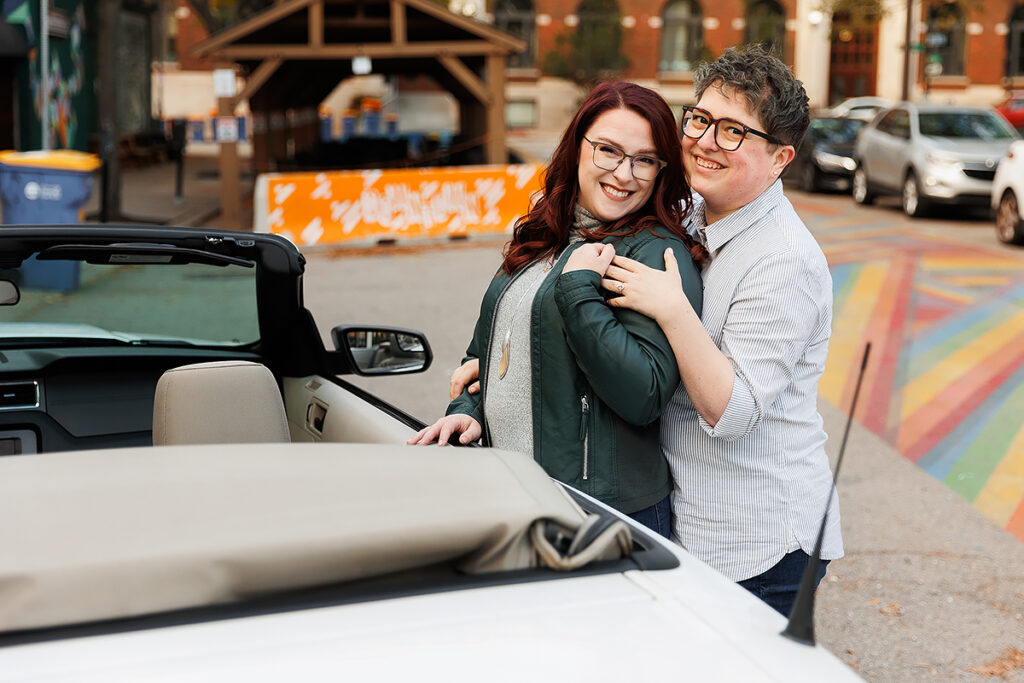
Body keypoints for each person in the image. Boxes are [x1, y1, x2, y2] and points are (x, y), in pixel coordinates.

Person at [599, 46, 843, 616]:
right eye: (702, 119)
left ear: (780, 157)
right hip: (686, 521)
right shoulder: (687, 214)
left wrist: (673, 309)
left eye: (733, 130)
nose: (705, 141)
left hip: (759, 544)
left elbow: (730, 412)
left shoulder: (785, 259)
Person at [407, 82, 705, 538]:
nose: (624, 174)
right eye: (608, 150)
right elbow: (486, 353)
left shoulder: (654, 253)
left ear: (662, 170)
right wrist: (470, 408)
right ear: (578, 147)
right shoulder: (547, 235)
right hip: (522, 494)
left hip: (601, 514)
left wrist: (579, 290)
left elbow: (644, 395)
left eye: (644, 159)